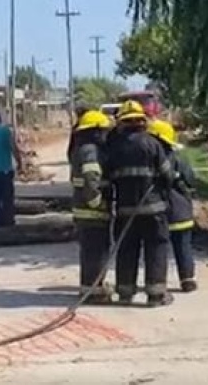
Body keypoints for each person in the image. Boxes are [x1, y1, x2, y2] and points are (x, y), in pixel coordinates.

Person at [106, 100, 176, 307]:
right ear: (142, 121)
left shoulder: (114, 148)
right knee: (156, 249)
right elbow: (167, 175)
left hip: (126, 210)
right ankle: (156, 295)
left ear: (122, 122)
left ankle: (126, 293)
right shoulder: (153, 144)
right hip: (154, 209)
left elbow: (108, 178)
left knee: (126, 250)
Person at [69, 110, 114, 304]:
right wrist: (97, 202)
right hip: (92, 210)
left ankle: (92, 287)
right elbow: (91, 179)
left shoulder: (83, 147)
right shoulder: (91, 151)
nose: (106, 134)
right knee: (95, 251)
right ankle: (92, 292)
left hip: (84, 210)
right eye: (103, 130)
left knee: (91, 250)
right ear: (95, 131)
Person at [148, 119, 198, 292]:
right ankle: (187, 279)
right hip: (182, 211)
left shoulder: (150, 161)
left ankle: (157, 283)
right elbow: (191, 180)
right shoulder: (178, 160)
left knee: (157, 249)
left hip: (158, 212)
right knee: (183, 246)